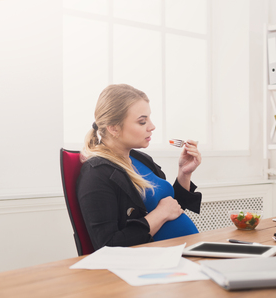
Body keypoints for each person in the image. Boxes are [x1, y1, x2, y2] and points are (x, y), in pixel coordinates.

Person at [77, 84, 202, 250]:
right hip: (154, 266)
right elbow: (108, 245)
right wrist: (161, 214)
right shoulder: (96, 174)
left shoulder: (139, 158)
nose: (152, 126)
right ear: (114, 128)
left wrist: (184, 173)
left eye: (149, 119)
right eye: (142, 121)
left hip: (186, 255)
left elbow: (173, 208)